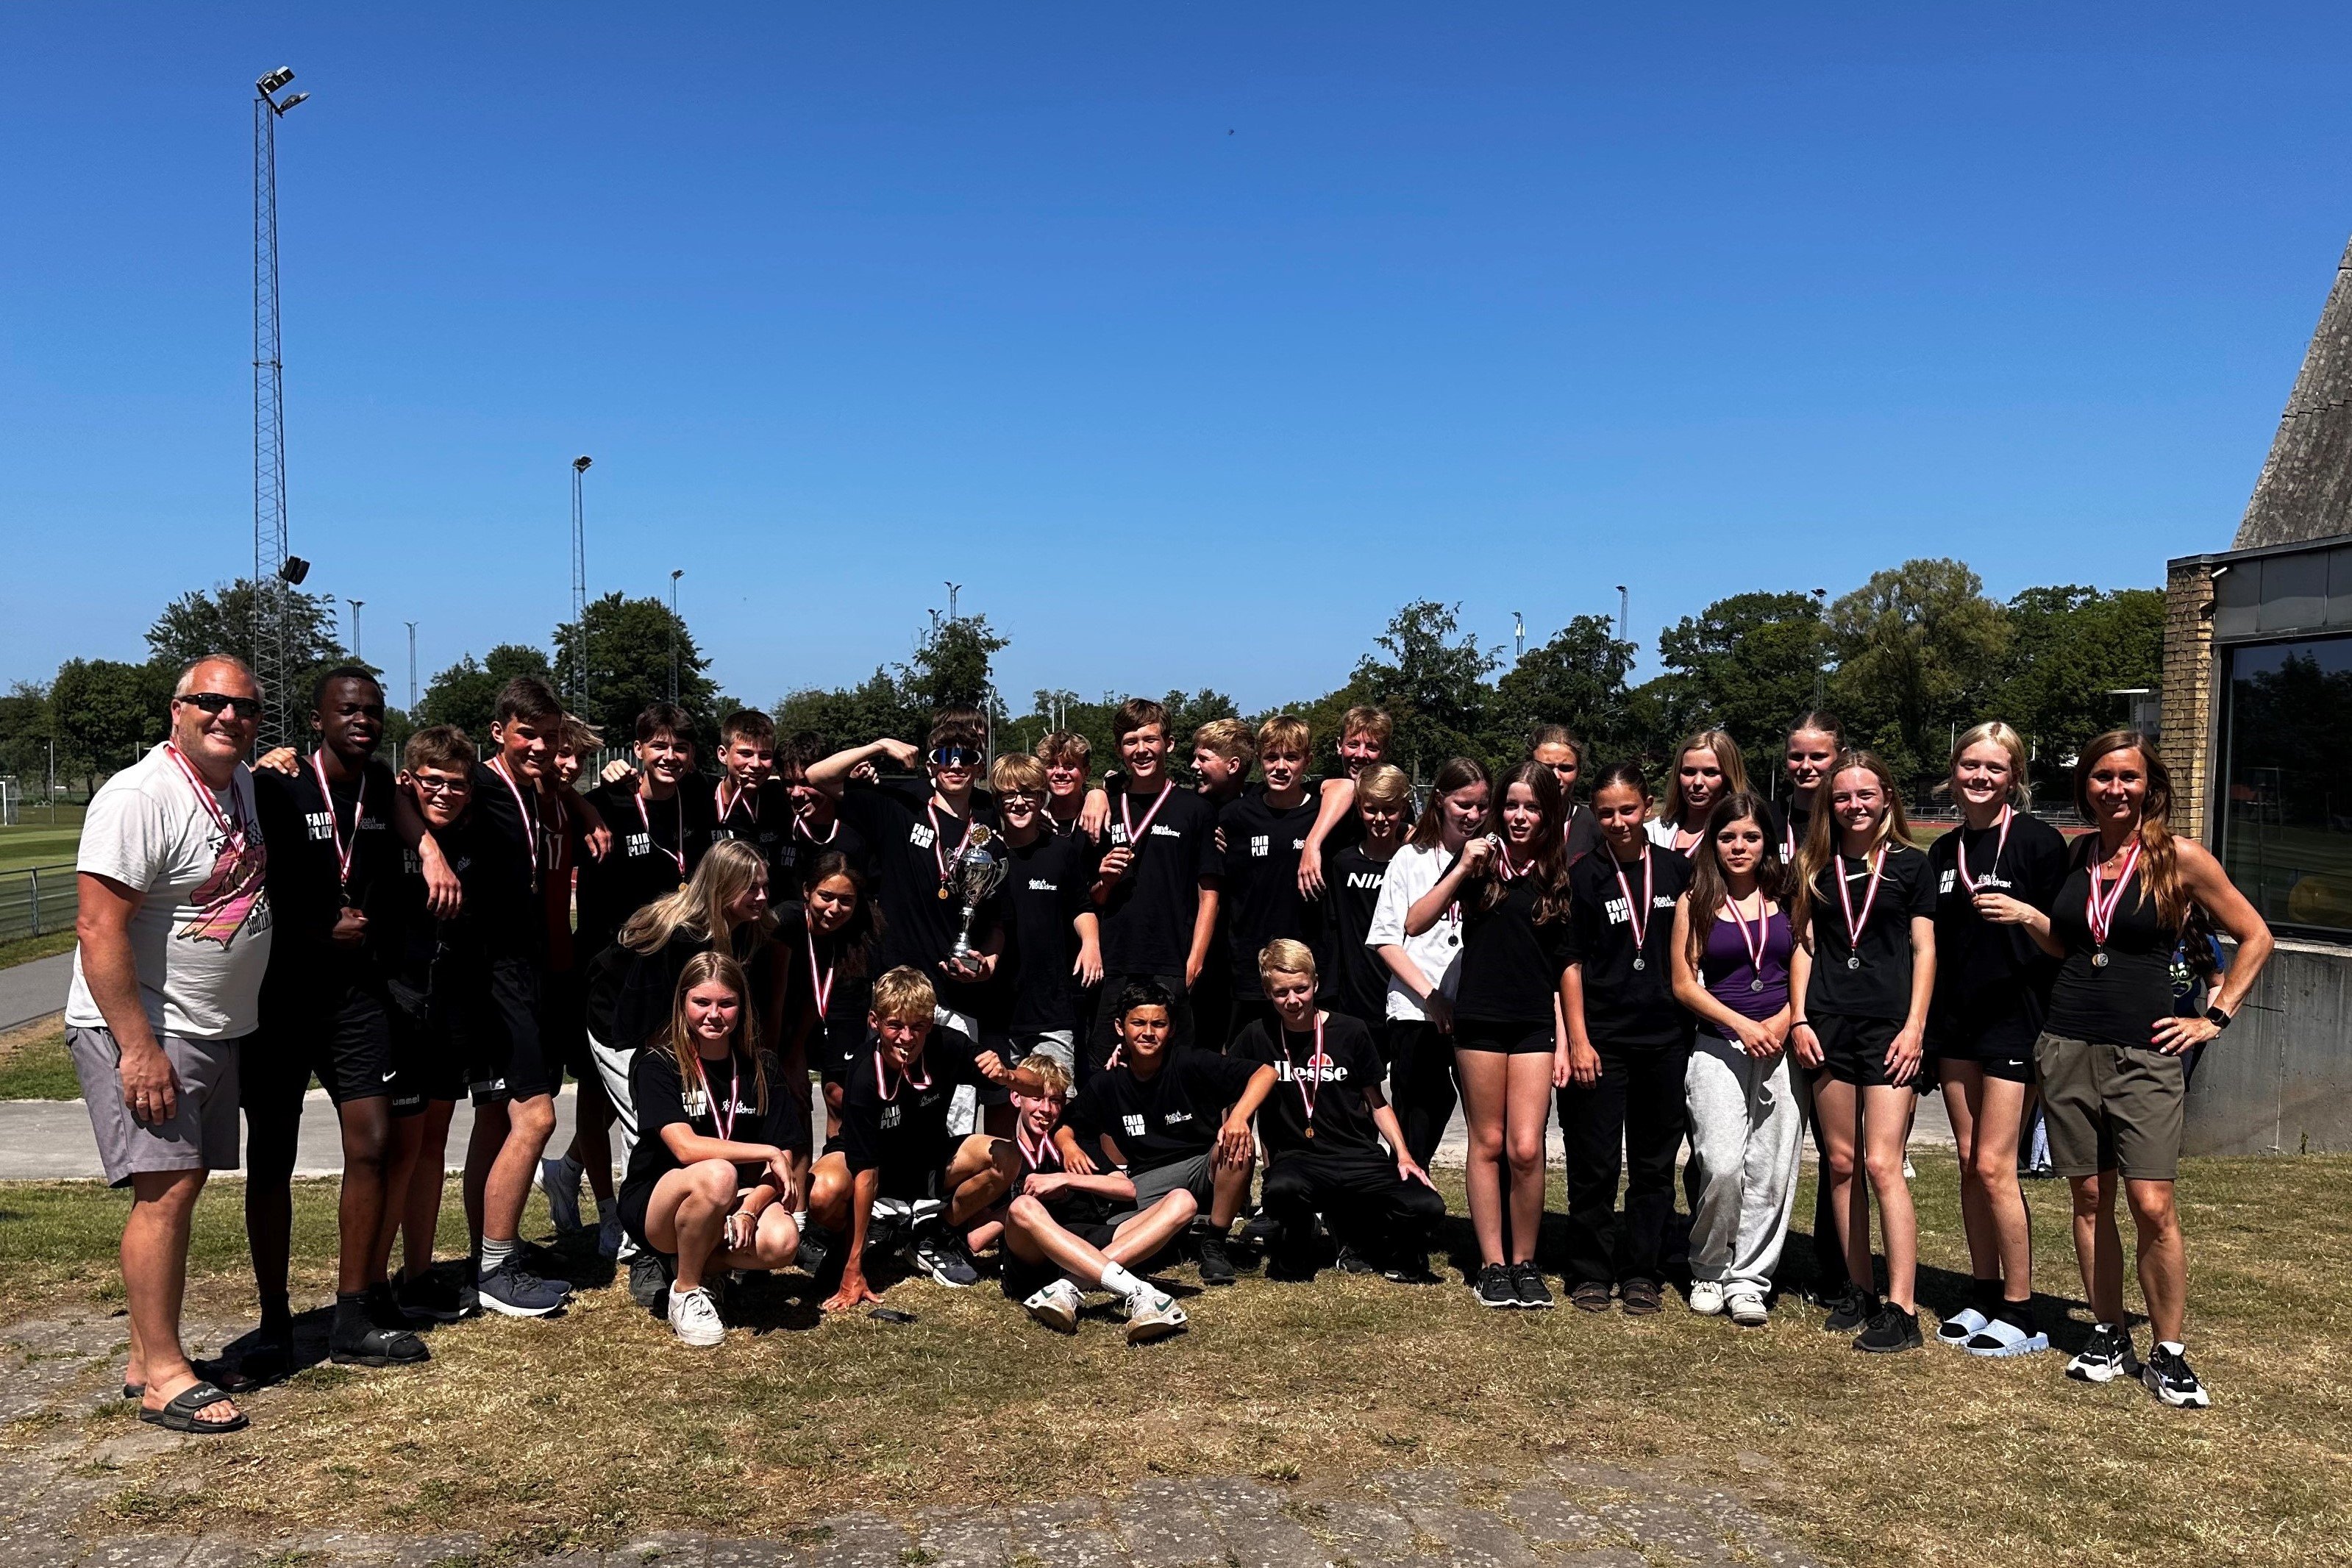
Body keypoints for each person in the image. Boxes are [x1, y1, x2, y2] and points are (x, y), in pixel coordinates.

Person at [2023, 732, 2271, 1405]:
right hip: (2069, 1042)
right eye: (2102, 777)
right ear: (2087, 788)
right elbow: (2071, 943)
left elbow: (2256, 935)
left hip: (2147, 1053)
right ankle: (2107, 1333)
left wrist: (2213, 1019)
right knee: (2089, 1198)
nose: (2115, 789)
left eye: (2128, 777)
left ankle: (2168, 1350)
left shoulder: (2179, 858)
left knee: (2152, 1204)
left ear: (2150, 785)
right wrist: (2027, 917)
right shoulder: (2079, 854)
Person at [65, 655, 272, 1434]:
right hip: (151, 1028)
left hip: (208, 1026)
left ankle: (144, 1354)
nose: (229, 717)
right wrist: (136, 1045)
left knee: (181, 1186)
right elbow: (97, 926)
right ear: (177, 709)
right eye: (211, 703)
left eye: (246, 708)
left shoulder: (239, 782)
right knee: (167, 1190)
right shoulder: (139, 796)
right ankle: (161, 1373)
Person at [243, 666, 425, 1374]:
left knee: (374, 1144)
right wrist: (318, 931)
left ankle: (353, 1313)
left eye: (374, 711)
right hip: (280, 996)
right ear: (316, 719)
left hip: (357, 997)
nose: (363, 720)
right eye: (348, 710)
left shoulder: (382, 786)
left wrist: (431, 849)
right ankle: (272, 1320)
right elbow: (246, 886)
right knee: (271, 1156)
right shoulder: (273, 784)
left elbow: (415, 817)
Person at [435, 676, 610, 1318]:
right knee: (536, 1118)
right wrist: (428, 851)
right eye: (527, 734)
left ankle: (491, 1252)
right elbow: (410, 794)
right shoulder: (476, 785)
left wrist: (584, 805)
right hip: (492, 974)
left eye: (550, 736)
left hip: (531, 971)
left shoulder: (540, 791)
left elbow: (558, 791)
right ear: (499, 732)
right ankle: (498, 1266)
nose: (540, 747)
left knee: (497, 1119)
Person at [585, 838, 782, 1305]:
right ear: (720, 887)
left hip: (675, 1026)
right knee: (646, 1128)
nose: (760, 897)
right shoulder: (680, 934)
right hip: (625, 1029)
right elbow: (640, 1017)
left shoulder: (745, 927)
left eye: (764, 887)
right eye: (749, 888)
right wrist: (653, 1076)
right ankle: (645, 1252)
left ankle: (700, 1235)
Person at [1925, 722, 2069, 1356]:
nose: (1981, 777)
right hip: (1959, 1024)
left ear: (2015, 778)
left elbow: (2071, 940)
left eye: (1995, 768)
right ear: (1953, 773)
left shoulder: (2040, 842)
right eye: (1970, 766)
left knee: (1994, 1165)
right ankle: (1983, 1295)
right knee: (1967, 1162)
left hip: (2018, 1020)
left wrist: (2029, 915)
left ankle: (2023, 1310)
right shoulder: (1944, 850)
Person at [1788, 750, 1938, 1353]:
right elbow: (1803, 945)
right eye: (1843, 797)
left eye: (1865, 795)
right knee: (1841, 1163)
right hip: (1827, 1025)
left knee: (1882, 1164)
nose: (1854, 806)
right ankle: (1858, 1287)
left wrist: (1915, 1027)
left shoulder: (1911, 866)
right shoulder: (1814, 865)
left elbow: (1925, 950)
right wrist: (1799, 1016)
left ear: (1887, 798)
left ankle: (1902, 1308)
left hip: (1888, 1029)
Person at [1409, 760, 1572, 1308]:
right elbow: (1415, 922)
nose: (1519, 816)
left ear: (1549, 815)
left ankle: (1527, 1262)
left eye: (1532, 807)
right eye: (1512, 805)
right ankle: (1492, 1264)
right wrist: (1461, 866)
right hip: (1478, 1021)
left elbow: (1562, 966)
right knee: (1489, 1143)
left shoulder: (1557, 874)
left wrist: (1568, 1039)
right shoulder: (1479, 864)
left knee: (1527, 1149)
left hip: (1533, 1024)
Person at [556, 702, 716, 1256]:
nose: (670, 757)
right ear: (638, 750)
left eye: (680, 747)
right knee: (603, 1096)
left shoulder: (700, 800)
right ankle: (610, 1212)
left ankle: (571, 1173)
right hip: (609, 979)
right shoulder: (605, 805)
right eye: (658, 746)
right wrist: (592, 786)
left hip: (673, 978)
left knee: (645, 1097)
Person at [806, 967, 1051, 1305]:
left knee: (1007, 1156)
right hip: (868, 1162)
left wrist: (1007, 1074)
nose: (907, 1038)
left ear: (931, 1022)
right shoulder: (864, 1071)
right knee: (823, 1193)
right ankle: (843, 1243)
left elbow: (1039, 1086)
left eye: (918, 1026)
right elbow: (866, 1174)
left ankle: (933, 1236)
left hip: (928, 1159)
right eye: (895, 1026)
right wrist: (854, 1266)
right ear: (874, 1022)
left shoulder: (948, 1044)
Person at [1558, 763, 1694, 1316]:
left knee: (1653, 1163)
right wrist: (1579, 1039)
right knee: (1593, 1162)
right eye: (1606, 812)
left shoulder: (1678, 871)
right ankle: (1589, 1271)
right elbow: (1568, 963)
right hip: (1603, 1040)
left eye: (1628, 809)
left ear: (1649, 808)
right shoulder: (1581, 875)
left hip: (1665, 1037)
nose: (1617, 821)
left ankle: (1643, 1270)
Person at [621, 952, 805, 1347]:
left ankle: (695, 1266)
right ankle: (686, 1292)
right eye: (701, 1002)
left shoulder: (763, 1067)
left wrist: (749, 1209)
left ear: (743, 1006)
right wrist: (765, 1151)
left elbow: (782, 1166)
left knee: (783, 1241)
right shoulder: (658, 1062)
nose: (714, 1014)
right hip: (661, 1200)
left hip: (730, 1197)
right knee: (718, 1172)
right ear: (682, 1003)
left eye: (726, 1003)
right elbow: (686, 1149)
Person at [1231, 941, 1444, 1282]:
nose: (1292, 1000)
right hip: (1298, 1159)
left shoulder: (1351, 1030)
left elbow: (1377, 1103)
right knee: (1280, 1190)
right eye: (1281, 992)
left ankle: (1390, 1247)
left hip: (1356, 1155)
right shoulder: (1257, 1036)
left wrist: (1404, 1155)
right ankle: (1300, 1235)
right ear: (1266, 991)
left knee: (1427, 1206)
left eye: (1301, 989)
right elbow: (1216, 1080)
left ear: (1316, 983)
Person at [1669, 791, 1800, 1329]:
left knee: (1771, 1170)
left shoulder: (1787, 898)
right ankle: (1708, 1266)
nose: (1739, 846)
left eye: (1750, 836)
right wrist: (1741, 1024)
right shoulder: (1695, 900)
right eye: (1727, 837)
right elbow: (1682, 982)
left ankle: (1750, 1279)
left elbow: (1806, 968)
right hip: (1719, 1045)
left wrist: (1786, 1020)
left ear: (1766, 841)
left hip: (1781, 1045)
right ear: (1712, 843)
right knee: (1721, 1163)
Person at [1057, 980, 1275, 1286]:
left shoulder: (1189, 1061)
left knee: (1237, 1144)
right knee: (1104, 1233)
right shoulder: (1108, 1083)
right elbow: (1066, 1123)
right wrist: (1068, 1144)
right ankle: (1166, 1240)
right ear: (1120, 1027)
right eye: (1139, 1023)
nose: (1149, 1032)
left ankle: (1214, 1242)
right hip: (1148, 1181)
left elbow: (1266, 1072)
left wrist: (1238, 1117)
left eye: (1159, 1024)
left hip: (1205, 1168)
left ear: (1171, 1029)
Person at [809, 710, 1002, 1038]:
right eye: (944, 757)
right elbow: (817, 776)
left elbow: (999, 914)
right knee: (892, 1084)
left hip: (960, 993)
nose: (955, 766)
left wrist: (989, 964)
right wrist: (880, 746)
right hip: (899, 985)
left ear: (978, 767)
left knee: (960, 1089)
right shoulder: (899, 806)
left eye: (966, 758)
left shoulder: (990, 819)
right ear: (931, 765)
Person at [379, 727, 481, 1325]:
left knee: (433, 1145)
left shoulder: (470, 828)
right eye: (432, 782)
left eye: (457, 784)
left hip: (450, 1005)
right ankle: (369, 1281)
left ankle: (417, 1273)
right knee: (399, 1149)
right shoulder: (386, 822)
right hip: (397, 1005)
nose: (445, 793)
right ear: (409, 779)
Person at [993, 1056, 1191, 1342]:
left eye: (1056, 1100)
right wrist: (1031, 1205)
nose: (1047, 1110)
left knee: (1183, 1200)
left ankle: (1067, 1287)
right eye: (1037, 1098)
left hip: (1091, 1240)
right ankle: (1139, 1291)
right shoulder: (1002, 1156)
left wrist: (1066, 1178)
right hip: (1034, 1255)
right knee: (1024, 1207)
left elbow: (1127, 1189)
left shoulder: (1073, 1148)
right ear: (1016, 1097)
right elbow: (977, 1238)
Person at [1083, 699, 1222, 1072]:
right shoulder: (1104, 805)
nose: (1141, 750)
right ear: (1119, 750)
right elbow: (1091, 897)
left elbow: (1209, 893)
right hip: (1114, 963)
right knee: (1104, 1076)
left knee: (1173, 1076)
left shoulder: (1195, 810)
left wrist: (1195, 961)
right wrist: (1105, 880)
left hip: (1171, 963)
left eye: (1150, 739)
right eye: (1130, 741)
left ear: (1169, 744)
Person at [1368, 758, 1488, 1169]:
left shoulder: (1493, 859)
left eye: (1482, 806)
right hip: (1417, 1011)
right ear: (1440, 801)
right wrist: (1431, 996)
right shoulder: (1411, 859)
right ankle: (1405, 1212)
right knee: (1418, 1119)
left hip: (1474, 1010)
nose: (1473, 815)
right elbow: (1386, 939)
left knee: (1485, 1125)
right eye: (1463, 804)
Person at [1770, 710, 1848, 1303]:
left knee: (1838, 1147)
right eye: (1797, 756)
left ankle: (1839, 1267)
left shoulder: (1852, 823)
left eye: (1818, 756)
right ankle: (1737, 1255)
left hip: (1835, 1000)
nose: (1805, 767)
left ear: (1838, 756)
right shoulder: (1767, 818)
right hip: (1767, 994)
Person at [986, 754, 1102, 1074]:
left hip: (1051, 1007)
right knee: (1003, 1109)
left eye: (1030, 794)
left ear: (1042, 799)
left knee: (1052, 1104)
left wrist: (1091, 944)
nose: (1019, 803)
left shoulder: (1060, 852)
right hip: (996, 1008)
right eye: (1010, 794)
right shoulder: (986, 857)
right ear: (997, 800)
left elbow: (1082, 907)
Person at [1217, 716, 1319, 1041]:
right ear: (1260, 760)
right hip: (1250, 965)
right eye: (1272, 758)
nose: (1281, 767)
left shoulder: (1324, 813)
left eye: (1291, 757)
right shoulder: (1235, 816)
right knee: (1245, 1064)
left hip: (1308, 963)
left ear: (1308, 761)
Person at [781, 850, 880, 1147]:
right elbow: (775, 998)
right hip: (787, 1012)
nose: (834, 909)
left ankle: (834, 1176)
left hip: (838, 1005)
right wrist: (792, 1054)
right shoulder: (786, 922)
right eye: (826, 896)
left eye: (846, 900)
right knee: (794, 1095)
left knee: (839, 1095)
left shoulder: (864, 929)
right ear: (806, 890)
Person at [1315, 762, 1410, 1035]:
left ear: (1403, 810)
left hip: (1406, 997)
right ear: (1359, 809)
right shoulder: (1343, 864)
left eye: (1390, 810)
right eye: (1371, 809)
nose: (1380, 819)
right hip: (1354, 1001)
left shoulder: (1414, 862)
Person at [1295, 705, 1393, 897]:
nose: (1361, 755)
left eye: (1372, 747)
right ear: (1339, 745)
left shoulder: (1394, 805)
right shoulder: (1314, 794)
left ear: (1384, 752)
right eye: (1353, 744)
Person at [708, 709, 792, 888]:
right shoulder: (700, 797)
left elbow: (816, 777)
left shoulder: (779, 797)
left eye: (765, 756)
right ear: (723, 754)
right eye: (745, 754)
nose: (755, 765)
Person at [1649, 729, 1750, 856]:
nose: (1697, 782)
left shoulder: (1745, 836)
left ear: (1729, 777)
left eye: (1710, 773)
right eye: (1689, 772)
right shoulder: (1652, 833)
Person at [1530, 724, 1600, 863]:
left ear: (1578, 772)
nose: (1556, 776)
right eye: (1546, 767)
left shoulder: (1594, 825)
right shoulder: (1510, 820)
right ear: (1528, 769)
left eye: (1565, 768)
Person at [1037, 730, 1097, 838]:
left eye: (1069, 765)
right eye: (1052, 765)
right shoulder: (1035, 823)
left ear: (1086, 772)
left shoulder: (1099, 815)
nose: (1060, 772)